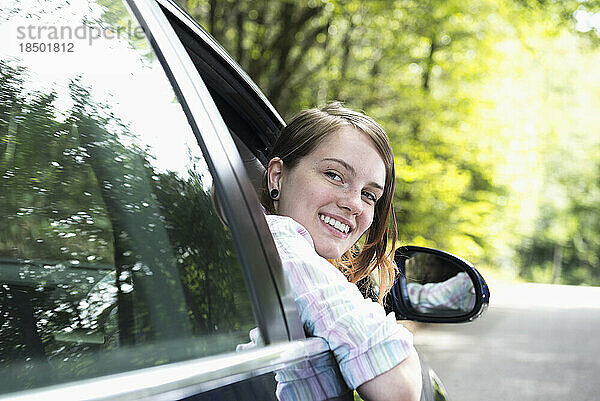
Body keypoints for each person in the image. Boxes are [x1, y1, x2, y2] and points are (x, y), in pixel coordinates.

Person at [259, 102, 422, 401]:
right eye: (335, 175)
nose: (355, 204)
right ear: (277, 177)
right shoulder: (284, 246)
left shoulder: (255, 248)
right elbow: (397, 388)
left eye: (369, 195)